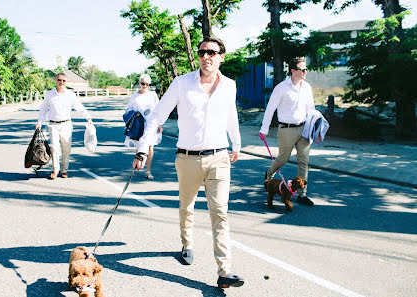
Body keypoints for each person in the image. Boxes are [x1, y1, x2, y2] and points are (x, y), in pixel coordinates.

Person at [132, 37, 244, 288]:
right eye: (202, 52)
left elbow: (230, 116)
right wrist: (141, 150)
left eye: (212, 52)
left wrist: (236, 144)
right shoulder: (181, 83)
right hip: (187, 158)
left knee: (220, 213)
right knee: (187, 206)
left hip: (219, 157)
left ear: (221, 56)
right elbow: (156, 116)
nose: (206, 56)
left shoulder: (228, 85)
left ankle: (224, 270)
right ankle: (187, 243)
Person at [259, 57, 316, 206]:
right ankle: (269, 175)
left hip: (304, 128)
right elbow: (270, 109)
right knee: (283, 159)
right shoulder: (281, 88)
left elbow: (311, 108)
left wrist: (314, 127)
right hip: (286, 129)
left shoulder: (307, 87)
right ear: (293, 71)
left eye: (306, 69)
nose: (305, 72)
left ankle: (302, 194)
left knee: (304, 161)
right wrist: (264, 129)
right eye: (302, 69)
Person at [36, 73, 92, 179]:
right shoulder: (49, 94)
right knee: (54, 148)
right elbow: (43, 109)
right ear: (55, 81)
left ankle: (64, 170)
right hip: (53, 124)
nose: (61, 82)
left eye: (64, 81)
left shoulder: (70, 94)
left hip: (66, 124)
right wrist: (40, 121)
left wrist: (88, 117)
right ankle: (55, 170)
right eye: (59, 80)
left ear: (66, 82)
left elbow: (78, 106)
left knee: (66, 148)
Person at [124, 74, 162, 180]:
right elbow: (128, 108)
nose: (145, 86)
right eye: (143, 83)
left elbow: (158, 109)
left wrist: (159, 124)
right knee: (139, 145)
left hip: (151, 124)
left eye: (147, 84)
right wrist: (134, 113)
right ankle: (139, 163)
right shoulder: (134, 96)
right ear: (139, 83)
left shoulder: (153, 95)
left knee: (150, 146)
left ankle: (148, 170)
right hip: (139, 124)